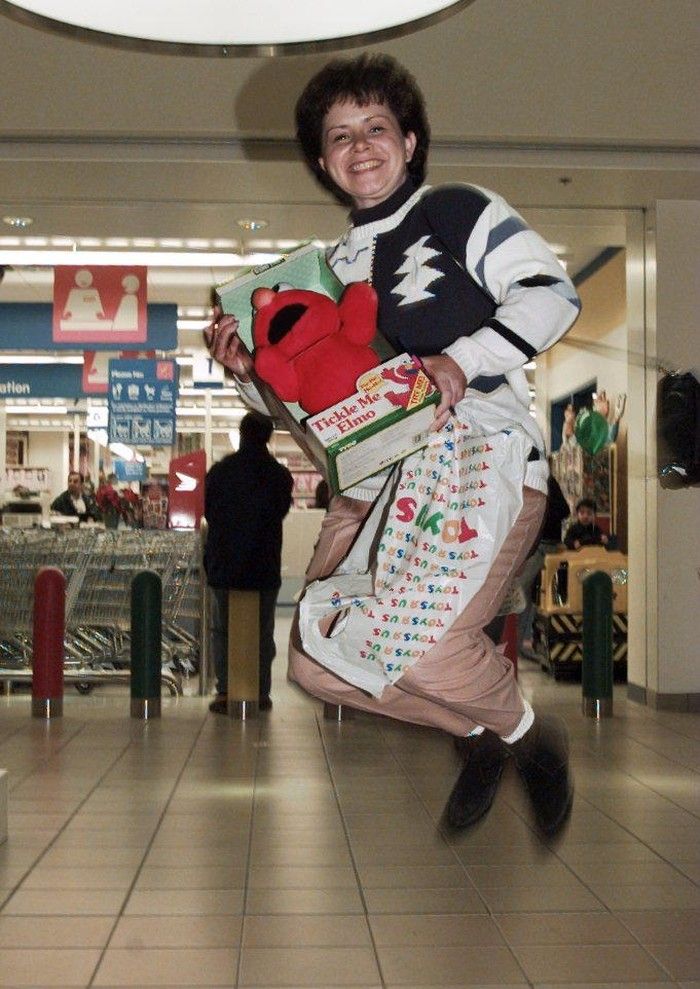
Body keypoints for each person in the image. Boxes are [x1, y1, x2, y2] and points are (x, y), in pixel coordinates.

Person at [206, 54, 581, 836]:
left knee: (420, 645)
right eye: (340, 136)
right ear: (322, 161)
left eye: (376, 127)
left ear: (410, 140)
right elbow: (312, 405)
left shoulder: (456, 209)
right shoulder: (325, 269)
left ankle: (527, 740)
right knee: (316, 657)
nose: (361, 146)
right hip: (369, 479)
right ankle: (483, 731)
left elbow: (551, 293)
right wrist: (249, 374)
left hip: (472, 447)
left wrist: (462, 359)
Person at [204, 411, 293, 713]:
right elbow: (280, 513)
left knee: (224, 631)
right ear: (268, 437)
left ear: (241, 434)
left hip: (224, 565)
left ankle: (226, 691)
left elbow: (210, 514)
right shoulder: (280, 476)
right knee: (262, 631)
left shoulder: (219, 472)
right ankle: (261, 691)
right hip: (263, 566)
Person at [518, 471, 571, 659]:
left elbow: (564, 510)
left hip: (543, 547)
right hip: (543, 546)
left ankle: (523, 642)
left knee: (524, 593)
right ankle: (526, 641)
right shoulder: (541, 482)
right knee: (533, 595)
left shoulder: (543, 482)